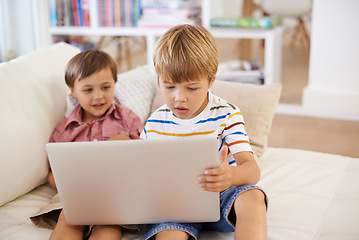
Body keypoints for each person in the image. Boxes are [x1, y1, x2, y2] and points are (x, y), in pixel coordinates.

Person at [140, 24, 268, 240]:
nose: (180, 98)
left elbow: (252, 170)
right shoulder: (154, 123)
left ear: (211, 80)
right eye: (169, 87)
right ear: (158, 81)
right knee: (170, 233)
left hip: (220, 195)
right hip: (175, 205)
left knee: (253, 196)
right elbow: (139, 172)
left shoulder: (227, 114)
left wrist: (231, 176)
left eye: (191, 88)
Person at [31, 50, 144, 240]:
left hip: (113, 192)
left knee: (108, 227)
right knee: (67, 222)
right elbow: (54, 172)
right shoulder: (65, 130)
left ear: (115, 84)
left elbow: (144, 154)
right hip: (77, 192)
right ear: (73, 90)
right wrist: (64, 183)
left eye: (105, 87)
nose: (98, 96)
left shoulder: (127, 119)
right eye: (88, 90)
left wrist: (124, 144)